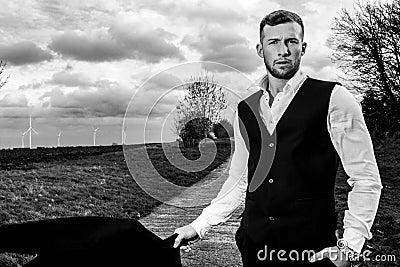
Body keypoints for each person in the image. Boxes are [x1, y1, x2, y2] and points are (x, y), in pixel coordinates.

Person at [173, 10, 382, 267]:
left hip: (311, 252)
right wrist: (198, 226)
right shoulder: (245, 109)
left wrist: (349, 248)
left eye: (291, 42)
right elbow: (239, 180)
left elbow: (365, 179)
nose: (283, 50)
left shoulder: (334, 98)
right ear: (261, 50)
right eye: (273, 42)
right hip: (254, 247)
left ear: (302, 48)